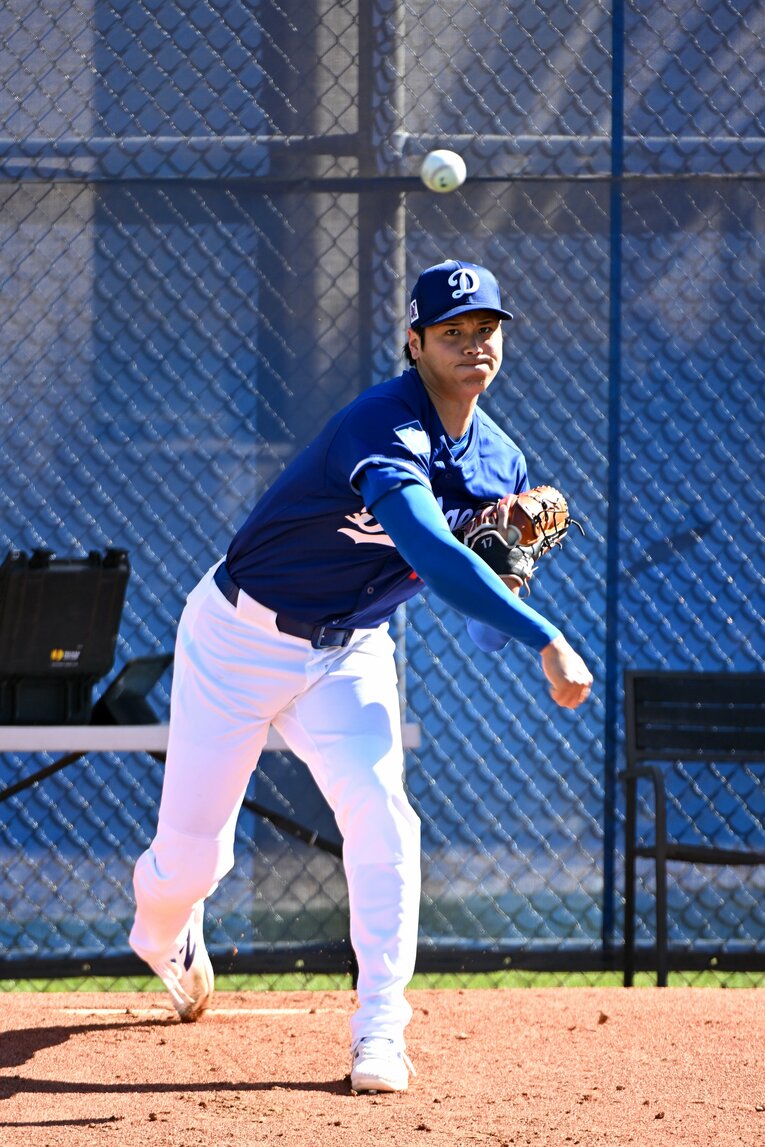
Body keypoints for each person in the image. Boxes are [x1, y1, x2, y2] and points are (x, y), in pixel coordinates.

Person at [129, 258, 592, 1094]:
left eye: (485, 329)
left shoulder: (501, 464)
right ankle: (165, 931)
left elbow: (475, 625)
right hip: (238, 637)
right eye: (451, 331)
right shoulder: (381, 423)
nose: (472, 344)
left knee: (384, 817)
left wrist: (507, 572)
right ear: (413, 343)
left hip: (348, 650)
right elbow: (422, 547)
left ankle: (380, 1026)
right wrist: (543, 631)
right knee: (192, 863)